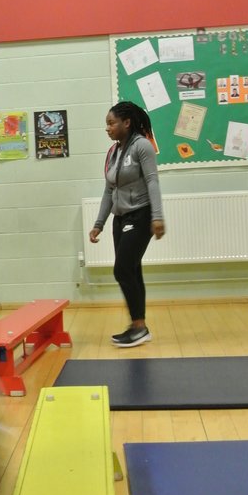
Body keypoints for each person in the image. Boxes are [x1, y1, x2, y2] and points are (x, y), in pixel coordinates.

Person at [89, 101, 165, 347]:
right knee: (132, 270)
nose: (107, 128)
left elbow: (152, 181)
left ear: (127, 123)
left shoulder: (142, 146)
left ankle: (138, 326)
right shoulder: (113, 152)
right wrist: (99, 223)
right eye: (107, 124)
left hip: (140, 215)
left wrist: (157, 217)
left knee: (122, 270)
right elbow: (108, 190)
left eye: (111, 123)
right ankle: (139, 326)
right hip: (120, 218)